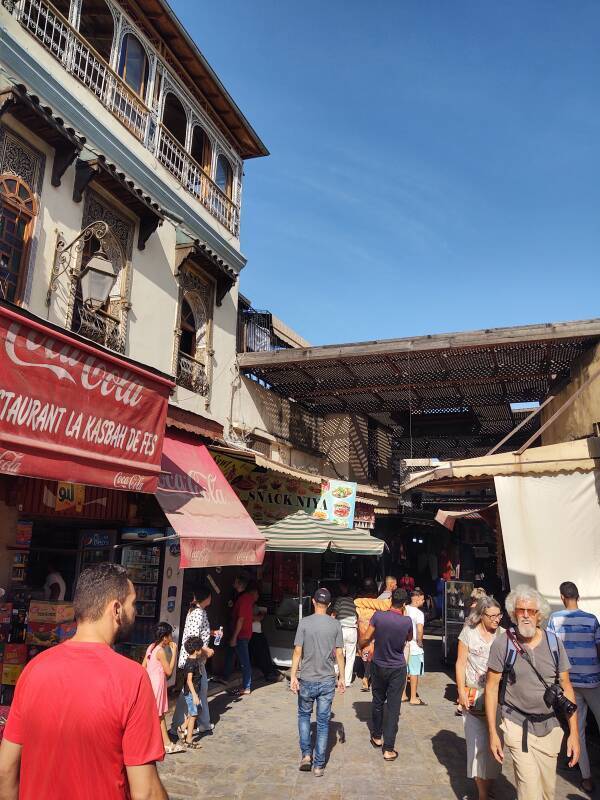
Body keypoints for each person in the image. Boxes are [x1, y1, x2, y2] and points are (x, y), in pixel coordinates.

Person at [0, 562, 167, 799]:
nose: (135, 611)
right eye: (133, 603)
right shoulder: (133, 679)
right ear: (116, 609)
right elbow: (147, 793)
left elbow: (5, 770)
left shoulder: (34, 668)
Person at [485, 585, 579, 800]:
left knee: (547, 792)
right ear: (513, 613)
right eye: (521, 610)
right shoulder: (503, 643)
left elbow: (567, 687)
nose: (526, 615)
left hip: (550, 726)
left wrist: (574, 734)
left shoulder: (555, 643)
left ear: (540, 615)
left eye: (531, 611)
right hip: (517, 724)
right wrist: (493, 733)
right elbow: (491, 688)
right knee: (530, 792)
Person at [548, 581, 600, 795]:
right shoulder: (592, 620)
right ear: (577, 597)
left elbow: (551, 650)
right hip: (593, 680)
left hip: (569, 682)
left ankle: (587, 779)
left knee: (577, 731)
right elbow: (599, 647)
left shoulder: (555, 619)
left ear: (562, 597)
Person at [290, 587, 345, 777]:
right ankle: (319, 765)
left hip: (306, 678)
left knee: (304, 716)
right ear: (329, 605)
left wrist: (293, 676)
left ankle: (306, 756)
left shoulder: (304, 623)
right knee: (323, 723)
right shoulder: (335, 625)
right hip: (327, 680)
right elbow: (339, 653)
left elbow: (298, 651)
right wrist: (342, 678)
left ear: (313, 602)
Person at [455, 595, 503, 800]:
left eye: (498, 615)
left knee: (494, 747)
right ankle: (483, 794)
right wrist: (460, 691)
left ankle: (488, 785)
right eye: (491, 615)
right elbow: (460, 663)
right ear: (481, 615)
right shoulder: (468, 633)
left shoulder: (504, 636)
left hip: (499, 698)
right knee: (477, 747)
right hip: (473, 695)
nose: (496, 619)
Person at [360, 588, 413, 762]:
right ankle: (388, 748)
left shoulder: (378, 616)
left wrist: (361, 645)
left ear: (390, 600)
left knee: (377, 701)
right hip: (397, 668)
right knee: (393, 707)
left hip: (378, 664)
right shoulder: (406, 621)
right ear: (404, 604)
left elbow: (367, 637)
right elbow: (409, 638)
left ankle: (376, 736)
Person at [143, 622, 183, 755]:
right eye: (170, 634)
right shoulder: (160, 651)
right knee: (159, 714)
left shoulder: (151, 647)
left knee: (156, 714)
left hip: (150, 683)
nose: (171, 637)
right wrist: (174, 653)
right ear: (165, 637)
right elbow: (169, 671)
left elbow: (143, 666)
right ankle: (166, 743)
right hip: (158, 685)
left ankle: (160, 741)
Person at [354, 578, 390, 692]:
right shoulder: (379, 604)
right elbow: (386, 607)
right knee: (372, 656)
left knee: (365, 654)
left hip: (362, 631)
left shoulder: (358, 603)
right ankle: (367, 677)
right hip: (374, 632)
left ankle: (366, 676)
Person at [247, 582, 281, 683]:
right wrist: (259, 617)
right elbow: (250, 618)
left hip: (258, 631)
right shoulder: (248, 605)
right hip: (252, 632)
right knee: (261, 653)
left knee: (264, 651)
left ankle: (269, 671)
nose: (258, 596)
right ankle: (268, 673)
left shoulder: (254, 605)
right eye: (256, 594)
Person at [226, 575, 254, 697]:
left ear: (239, 583)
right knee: (231, 654)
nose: (233, 582)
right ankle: (225, 676)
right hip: (242, 632)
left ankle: (247, 686)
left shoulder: (243, 599)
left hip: (241, 633)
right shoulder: (245, 598)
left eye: (235, 581)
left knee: (244, 661)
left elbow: (241, 619)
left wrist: (234, 636)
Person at [331, 582, 358, 687]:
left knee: (338, 654)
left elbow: (334, 614)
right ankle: (346, 681)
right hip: (352, 631)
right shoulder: (355, 602)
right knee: (350, 657)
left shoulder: (340, 600)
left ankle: (336, 677)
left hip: (341, 630)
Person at [181, 636, 204, 749]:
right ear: (196, 650)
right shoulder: (191, 663)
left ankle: (182, 728)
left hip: (193, 691)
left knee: (192, 712)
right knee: (194, 714)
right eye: (200, 648)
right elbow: (189, 681)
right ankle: (189, 739)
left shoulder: (193, 661)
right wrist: (194, 695)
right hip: (191, 692)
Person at [405, 589, 427, 706]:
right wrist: (420, 642)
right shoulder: (419, 613)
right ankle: (413, 697)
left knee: (404, 671)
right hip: (414, 646)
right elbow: (419, 630)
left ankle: (402, 694)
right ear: (417, 598)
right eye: (422, 599)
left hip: (404, 645)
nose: (423, 602)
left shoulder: (405, 609)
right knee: (414, 672)